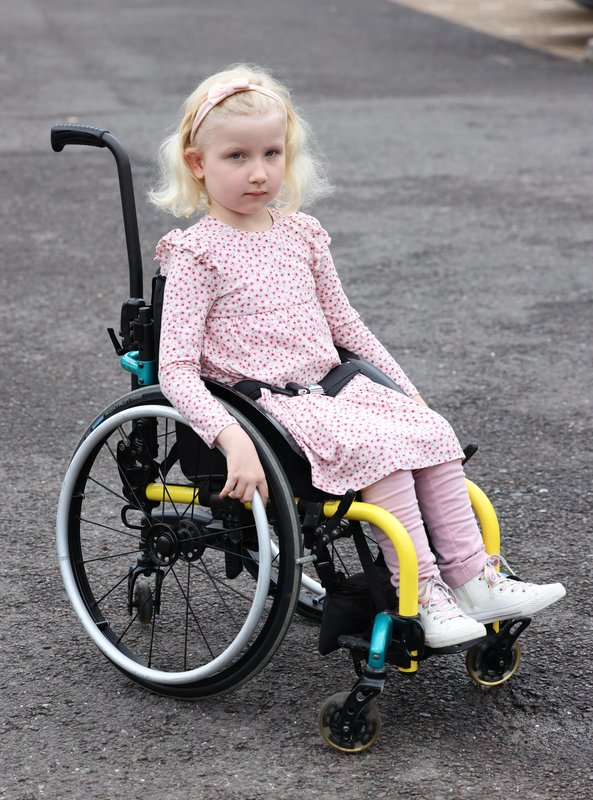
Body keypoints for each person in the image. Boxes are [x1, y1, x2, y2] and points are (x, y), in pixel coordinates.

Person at [149, 64, 565, 649]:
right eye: (237, 157)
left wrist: (403, 389)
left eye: (272, 153)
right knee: (382, 450)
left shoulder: (302, 233)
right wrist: (230, 437)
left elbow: (348, 327)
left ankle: (475, 578)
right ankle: (421, 594)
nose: (260, 172)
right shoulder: (195, 252)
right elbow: (176, 370)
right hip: (266, 406)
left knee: (429, 428)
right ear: (199, 163)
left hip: (332, 390)